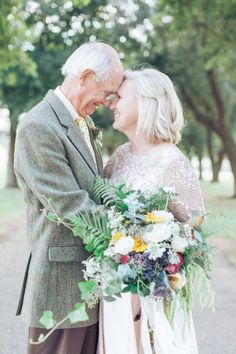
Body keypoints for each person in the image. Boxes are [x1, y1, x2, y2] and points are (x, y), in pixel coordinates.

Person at [14, 42, 123, 354]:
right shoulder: (39, 125)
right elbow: (70, 204)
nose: (108, 102)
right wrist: (134, 233)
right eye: (108, 92)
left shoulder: (82, 122)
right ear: (86, 76)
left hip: (88, 284)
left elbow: (96, 191)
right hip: (59, 291)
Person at [98, 68, 204, 354]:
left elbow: (194, 231)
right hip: (114, 290)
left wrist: (152, 260)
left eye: (120, 97)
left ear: (146, 103)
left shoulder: (172, 161)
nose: (112, 104)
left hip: (154, 296)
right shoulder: (120, 154)